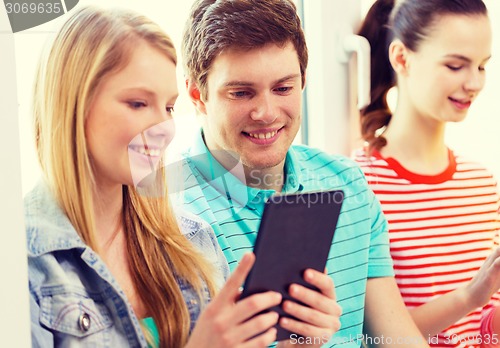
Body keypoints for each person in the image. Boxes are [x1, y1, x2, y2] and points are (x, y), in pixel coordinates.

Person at [26, 5, 289, 348]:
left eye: (167, 107)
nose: (163, 129)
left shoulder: (193, 241)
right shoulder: (25, 261)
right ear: (73, 105)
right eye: (137, 103)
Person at [179, 0, 429, 346]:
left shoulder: (348, 185)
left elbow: (397, 338)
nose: (266, 113)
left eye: (283, 88)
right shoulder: (157, 211)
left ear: (304, 80)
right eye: (241, 92)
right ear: (197, 95)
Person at [353, 0, 500, 346]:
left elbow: (484, 327)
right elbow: (371, 336)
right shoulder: (360, 183)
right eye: (455, 65)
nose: (474, 83)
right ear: (402, 58)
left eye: (482, 66)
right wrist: (469, 297)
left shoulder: (481, 184)